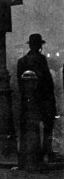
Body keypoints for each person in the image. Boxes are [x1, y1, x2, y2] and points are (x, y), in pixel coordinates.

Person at [17, 33, 58, 163]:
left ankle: (28, 150)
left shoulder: (22, 61)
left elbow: (20, 84)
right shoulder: (41, 59)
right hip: (44, 98)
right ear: (39, 45)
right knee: (48, 125)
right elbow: (47, 81)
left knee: (30, 125)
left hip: (29, 100)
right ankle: (47, 150)